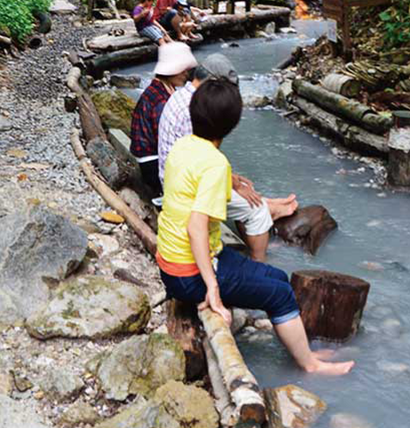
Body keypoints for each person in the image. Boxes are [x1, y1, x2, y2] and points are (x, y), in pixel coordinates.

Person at [158, 79, 354, 375]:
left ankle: (293, 338)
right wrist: (212, 289)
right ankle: (310, 365)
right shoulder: (214, 163)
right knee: (280, 294)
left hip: (175, 263)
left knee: (276, 276)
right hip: (190, 274)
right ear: (231, 125)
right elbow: (196, 227)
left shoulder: (184, 146)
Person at [158, 53, 296, 261]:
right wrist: (234, 183)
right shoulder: (193, 109)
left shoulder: (182, 96)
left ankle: (267, 207)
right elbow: (199, 162)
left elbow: (197, 156)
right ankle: (260, 260)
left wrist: (234, 180)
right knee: (255, 210)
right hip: (184, 187)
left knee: (244, 189)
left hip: (174, 175)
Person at [130, 42, 197, 193]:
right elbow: (166, 139)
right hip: (152, 165)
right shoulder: (160, 100)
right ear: (174, 70)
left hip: (150, 158)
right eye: (184, 71)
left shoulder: (161, 89)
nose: (187, 75)